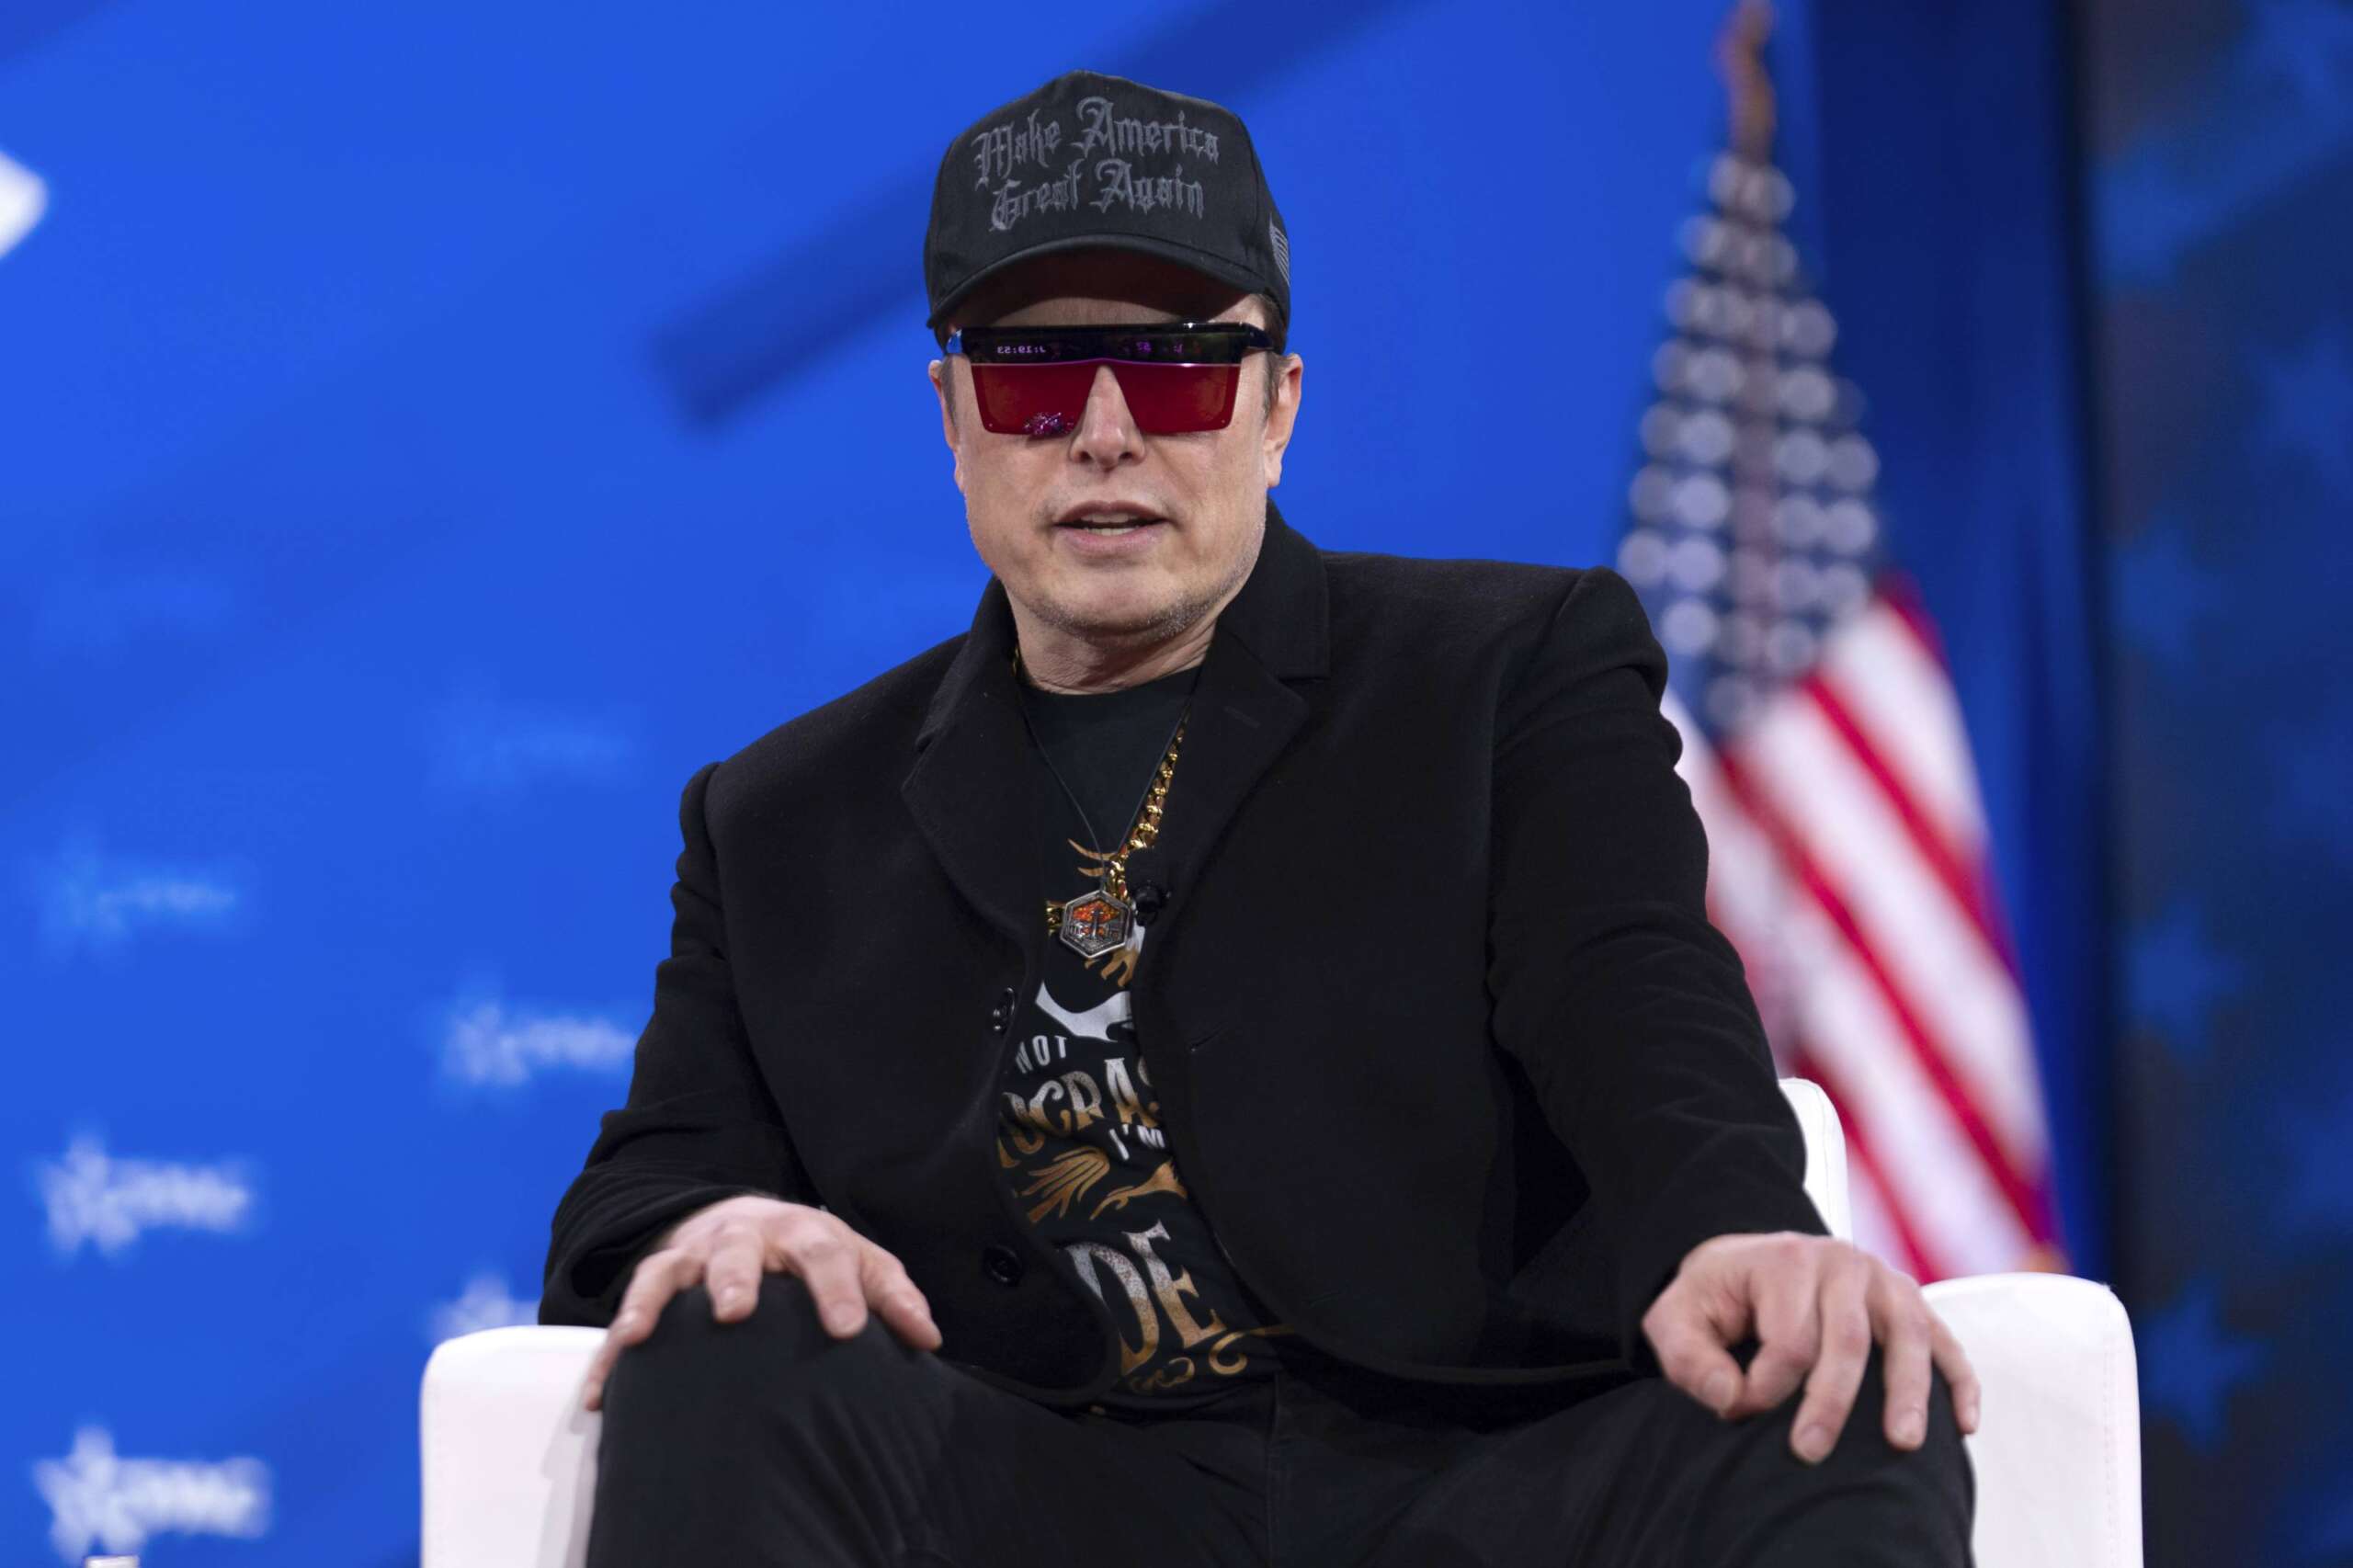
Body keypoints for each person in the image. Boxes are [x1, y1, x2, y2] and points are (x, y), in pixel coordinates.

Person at [538, 67, 1978, 1568]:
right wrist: (718, 1235)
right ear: (954, 418)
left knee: (1841, 1390)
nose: (1105, 434)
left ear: (1278, 407)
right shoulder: (780, 818)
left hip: (1482, 1476)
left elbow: (1632, 994)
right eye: (1034, 377)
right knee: (723, 1341)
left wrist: (1736, 1225)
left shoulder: (1507, 670)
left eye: (1177, 370)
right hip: (1051, 1494)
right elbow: (639, 1187)